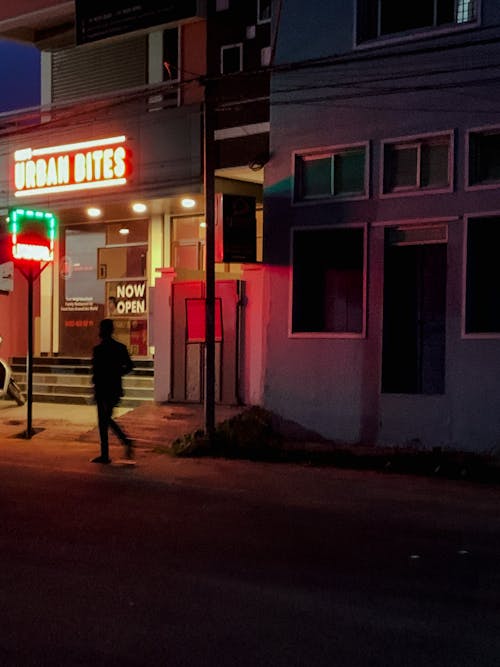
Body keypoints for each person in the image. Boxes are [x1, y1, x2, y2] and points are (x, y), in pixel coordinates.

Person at [91, 318, 134, 464]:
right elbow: (129, 366)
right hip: (113, 388)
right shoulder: (119, 348)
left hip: (104, 389)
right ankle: (108, 452)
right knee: (105, 421)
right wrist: (117, 373)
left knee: (104, 421)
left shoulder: (99, 350)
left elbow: (96, 373)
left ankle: (123, 443)